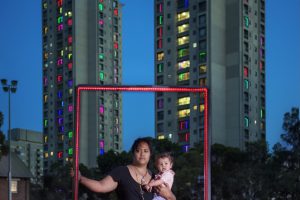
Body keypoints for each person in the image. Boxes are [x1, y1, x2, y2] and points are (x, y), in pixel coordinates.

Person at [71, 137, 176, 200]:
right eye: (138, 150)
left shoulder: (155, 177)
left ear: (150, 154)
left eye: (146, 151)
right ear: (133, 153)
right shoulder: (122, 172)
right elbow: (101, 186)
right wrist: (81, 178)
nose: (142, 154)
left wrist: (170, 196)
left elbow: (170, 197)